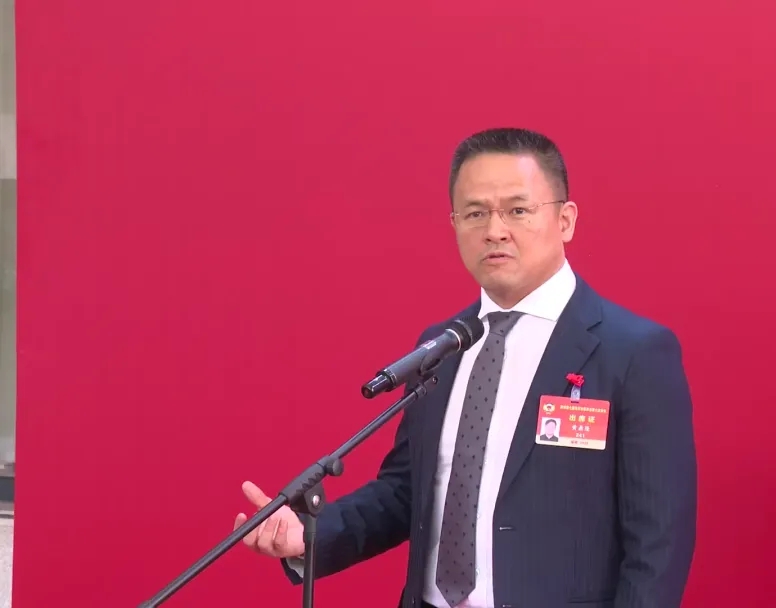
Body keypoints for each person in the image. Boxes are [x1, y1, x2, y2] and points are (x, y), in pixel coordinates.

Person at [233, 127, 697, 608]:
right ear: (454, 224)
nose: (494, 230)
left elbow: (658, 542)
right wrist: (308, 534)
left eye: (518, 210)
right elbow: (406, 492)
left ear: (565, 220)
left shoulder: (634, 352)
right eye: (475, 213)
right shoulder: (443, 346)